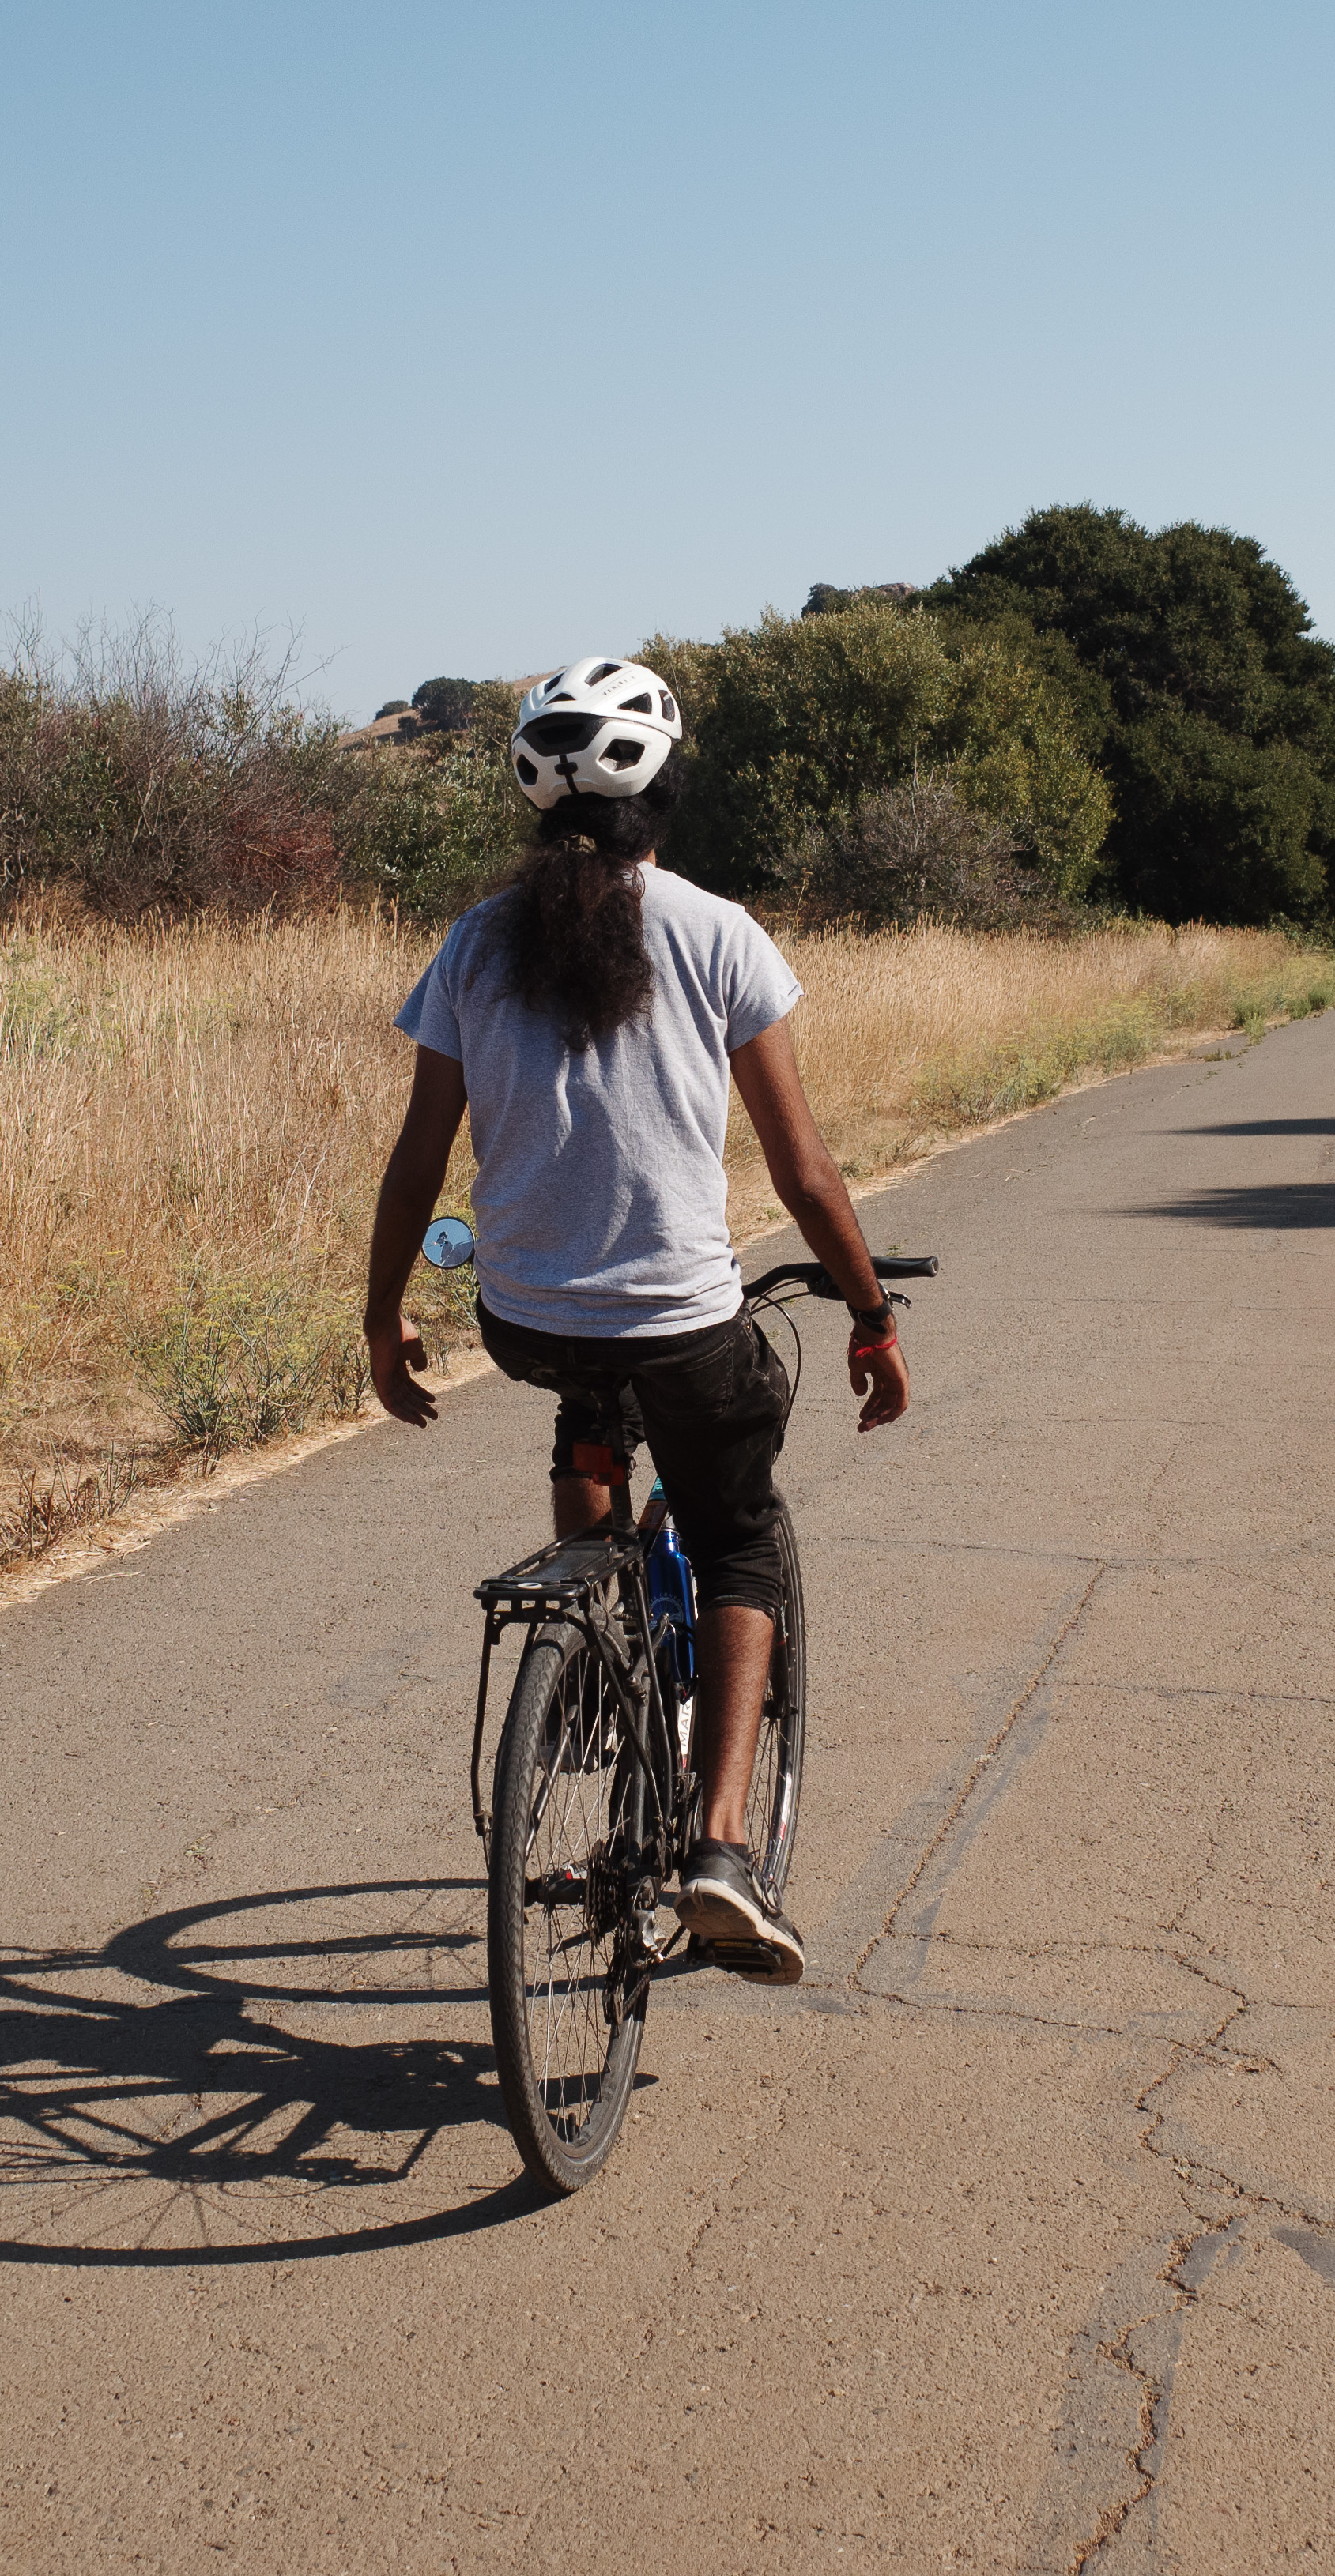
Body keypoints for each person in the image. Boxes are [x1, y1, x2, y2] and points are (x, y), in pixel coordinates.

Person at [362, 653, 910, 1986]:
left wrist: (383, 1322)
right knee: (740, 1540)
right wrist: (871, 1315)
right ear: (663, 794)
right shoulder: (718, 930)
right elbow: (805, 1171)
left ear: (536, 803)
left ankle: (596, 1660)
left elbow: (417, 1155)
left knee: (586, 1408)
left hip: (525, 1320)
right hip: (682, 1324)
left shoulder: (473, 945)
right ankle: (721, 1848)